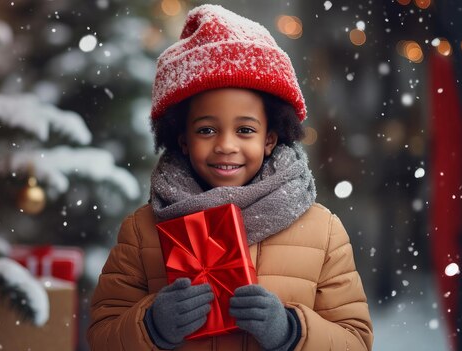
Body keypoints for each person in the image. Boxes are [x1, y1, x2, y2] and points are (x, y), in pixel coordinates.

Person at [87, 4, 373, 350]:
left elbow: (356, 341)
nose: (225, 145)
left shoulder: (322, 232)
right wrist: (151, 325)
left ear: (270, 138)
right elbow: (102, 336)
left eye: (245, 130)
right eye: (206, 129)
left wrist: (291, 331)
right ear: (183, 138)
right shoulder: (142, 231)